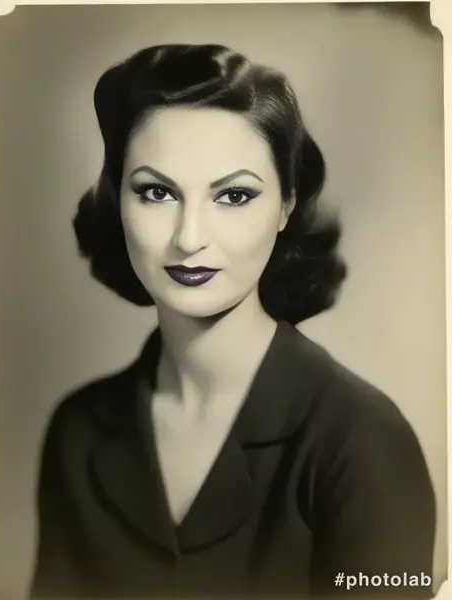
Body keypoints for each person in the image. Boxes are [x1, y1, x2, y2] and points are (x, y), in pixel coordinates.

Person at [30, 44, 436, 599]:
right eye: (156, 191)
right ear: (116, 199)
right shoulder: (77, 431)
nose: (189, 237)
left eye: (234, 195)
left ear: (287, 204)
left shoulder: (363, 443)